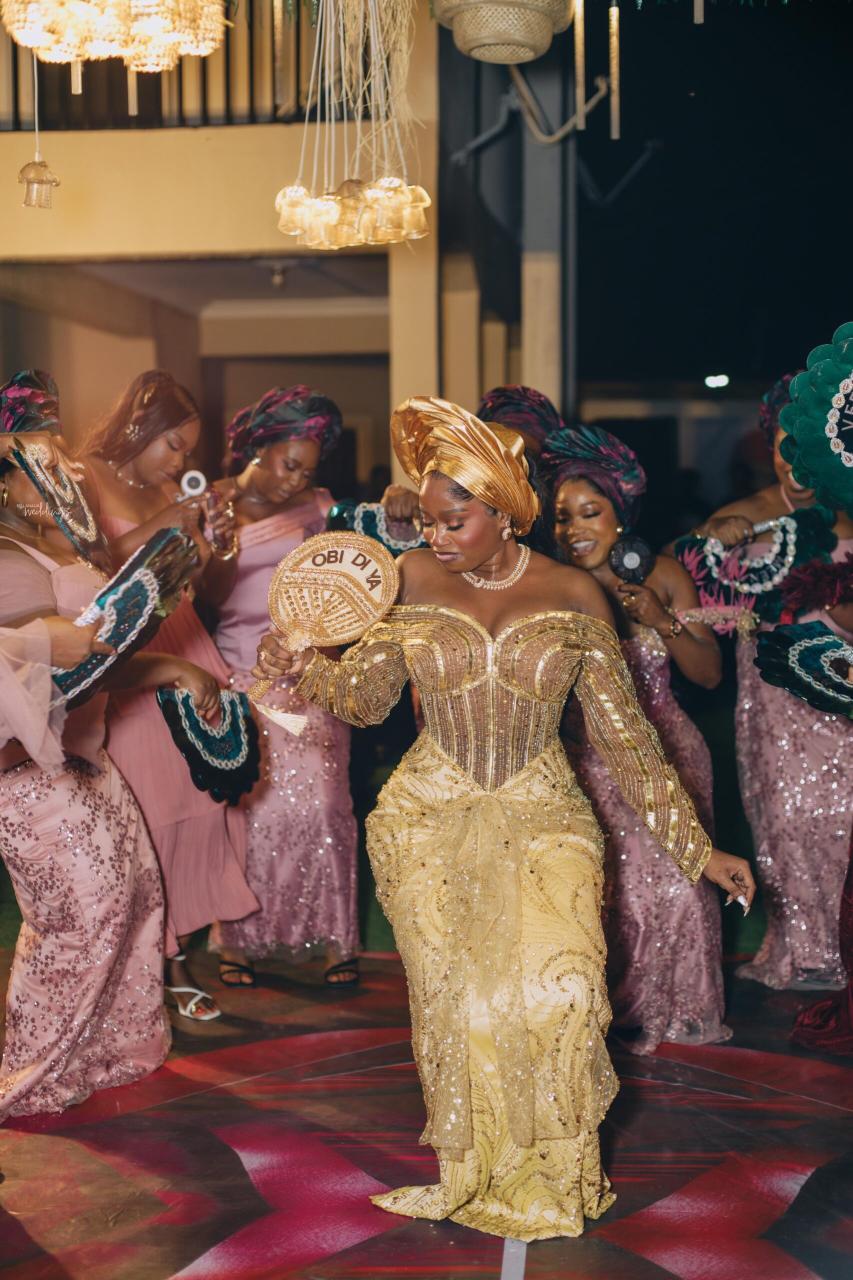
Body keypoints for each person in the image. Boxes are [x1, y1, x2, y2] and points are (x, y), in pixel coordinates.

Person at [253, 397, 755, 1241]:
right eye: (429, 520)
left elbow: (628, 743)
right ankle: (475, 1169)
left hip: (544, 812)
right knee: (462, 1008)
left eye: (454, 521)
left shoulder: (574, 594)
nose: (435, 535)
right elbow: (366, 701)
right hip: (426, 818)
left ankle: (551, 1173)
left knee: (562, 995)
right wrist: (302, 665)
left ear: (504, 513)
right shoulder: (411, 579)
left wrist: (696, 851)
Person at [0, 370, 170, 1119]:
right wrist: (45, 641)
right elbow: (30, 662)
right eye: (40, 461)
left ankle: (106, 1049)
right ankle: (29, 1073)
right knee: (74, 923)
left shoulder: (50, 540)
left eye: (62, 454)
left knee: (135, 899)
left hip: (87, 756)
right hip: (28, 774)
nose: (64, 470)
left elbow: (90, 659)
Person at [539, 424, 728, 1054]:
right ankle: (609, 1008)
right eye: (563, 517)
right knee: (608, 887)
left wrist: (660, 618)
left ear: (620, 513)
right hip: (587, 759)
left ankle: (676, 1003)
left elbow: (709, 674)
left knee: (676, 879)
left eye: (589, 512)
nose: (574, 528)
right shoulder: (549, 586)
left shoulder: (664, 575)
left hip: (669, 750)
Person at [80, 371, 258, 1015]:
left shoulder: (169, 489)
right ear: (139, 426)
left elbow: (209, 591)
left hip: (185, 642)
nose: (181, 462)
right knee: (146, 810)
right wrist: (163, 521)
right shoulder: (86, 477)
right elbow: (88, 571)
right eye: (173, 446)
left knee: (198, 800)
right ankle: (150, 961)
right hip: (127, 660)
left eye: (188, 451)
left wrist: (218, 543)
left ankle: (175, 954)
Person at [684, 375, 853, 990]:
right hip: (775, 704)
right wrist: (722, 537)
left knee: (843, 819)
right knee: (789, 820)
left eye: (803, 446)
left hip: (843, 695)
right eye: (781, 445)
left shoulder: (846, 512)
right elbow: (699, 584)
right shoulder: (747, 514)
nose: (791, 459)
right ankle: (806, 951)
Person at [204, 386, 360, 985]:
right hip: (239, 677)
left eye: (307, 471)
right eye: (290, 464)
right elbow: (209, 599)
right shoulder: (213, 503)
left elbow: (348, 585)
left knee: (325, 805)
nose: (296, 480)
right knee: (249, 810)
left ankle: (334, 938)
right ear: (260, 447)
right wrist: (221, 544)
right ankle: (239, 941)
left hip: (309, 677)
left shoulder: (320, 509)